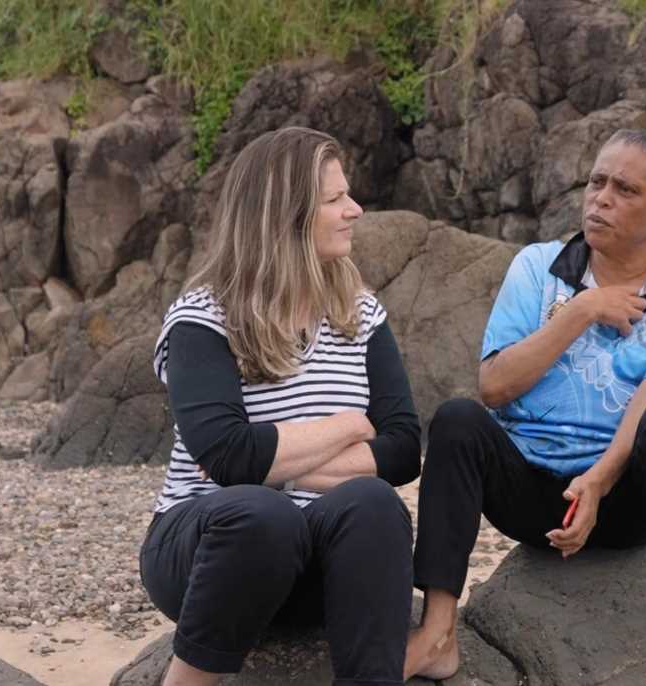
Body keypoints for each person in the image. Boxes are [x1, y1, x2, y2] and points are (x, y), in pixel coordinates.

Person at [405, 127, 646, 686]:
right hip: (533, 494)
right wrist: (580, 311)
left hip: (628, 497)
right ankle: (438, 631)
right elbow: (493, 386)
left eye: (626, 190)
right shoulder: (538, 268)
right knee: (457, 420)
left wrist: (599, 481)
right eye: (596, 182)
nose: (602, 199)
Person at [140, 126, 422, 686]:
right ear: (286, 214)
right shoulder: (205, 318)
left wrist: (271, 460)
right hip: (208, 553)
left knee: (372, 502)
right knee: (259, 513)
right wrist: (348, 425)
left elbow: (405, 450)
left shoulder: (360, 314)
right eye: (336, 199)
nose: (355, 210)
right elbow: (227, 458)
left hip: (322, 562)